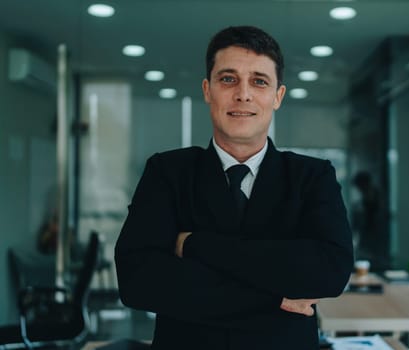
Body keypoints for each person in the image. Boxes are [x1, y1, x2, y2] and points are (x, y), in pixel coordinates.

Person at [114, 25, 354, 350]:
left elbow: (329, 273)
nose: (243, 93)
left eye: (259, 81)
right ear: (207, 90)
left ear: (277, 96)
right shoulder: (168, 172)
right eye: (228, 79)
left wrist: (197, 246)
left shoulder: (312, 176)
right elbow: (139, 282)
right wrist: (275, 298)